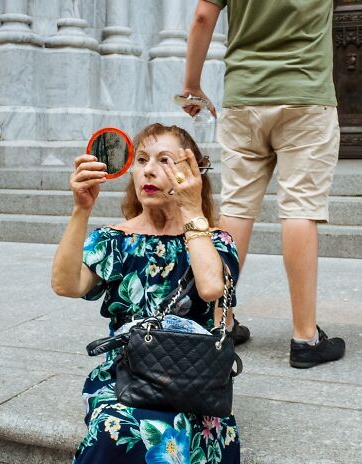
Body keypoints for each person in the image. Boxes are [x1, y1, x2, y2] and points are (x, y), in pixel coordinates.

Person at [52, 123, 241, 463]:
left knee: (186, 432)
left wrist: (191, 211)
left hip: (194, 376)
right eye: (141, 160)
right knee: (120, 429)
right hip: (127, 372)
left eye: (165, 161)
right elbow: (66, 285)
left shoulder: (215, 241)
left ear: (191, 174)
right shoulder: (115, 240)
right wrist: (81, 210)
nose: (149, 170)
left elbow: (212, 288)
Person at [181, 0, 346, 368]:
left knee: (237, 209)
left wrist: (192, 84)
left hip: (245, 97)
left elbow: (203, 16)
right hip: (306, 94)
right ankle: (305, 338)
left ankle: (220, 324)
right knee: (301, 209)